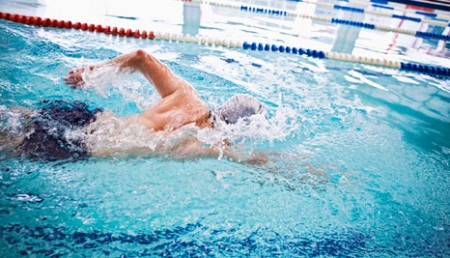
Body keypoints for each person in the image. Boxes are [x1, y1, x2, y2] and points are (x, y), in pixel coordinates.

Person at [1, 50, 267, 164]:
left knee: (16, 116)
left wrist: (93, 73)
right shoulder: (207, 144)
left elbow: (141, 58)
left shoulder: (188, 95)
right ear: (234, 130)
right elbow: (256, 161)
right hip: (80, 144)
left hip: (88, 116)